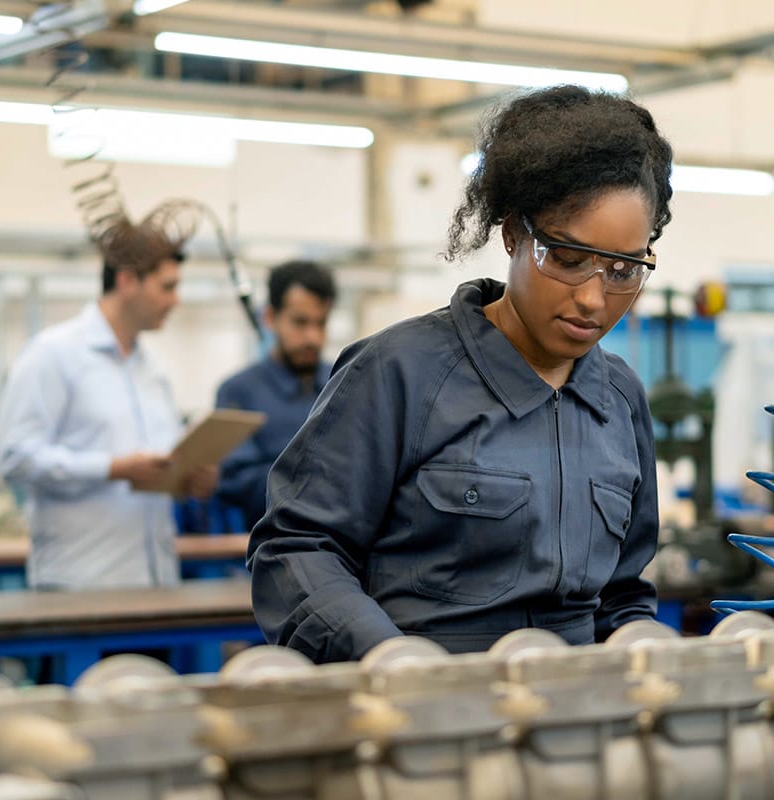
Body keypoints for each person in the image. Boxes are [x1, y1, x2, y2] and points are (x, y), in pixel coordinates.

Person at [247, 85, 672, 662]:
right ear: (514, 234)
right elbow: (298, 548)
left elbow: (621, 594)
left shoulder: (619, 400)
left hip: (576, 721)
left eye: (624, 269)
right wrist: (390, 662)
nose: (595, 299)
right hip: (424, 716)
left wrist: (645, 655)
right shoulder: (399, 374)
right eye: (569, 260)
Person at [0, 215, 218, 590]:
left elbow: (158, 470)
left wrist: (188, 478)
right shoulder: (54, 355)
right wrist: (112, 468)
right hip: (81, 587)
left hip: (156, 584)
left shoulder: (152, 371)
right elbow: (16, 458)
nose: (175, 301)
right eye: (167, 287)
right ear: (128, 280)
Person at [215, 260, 337, 529]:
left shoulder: (341, 383)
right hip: (270, 552)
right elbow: (236, 482)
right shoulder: (239, 392)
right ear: (270, 317)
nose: (313, 338)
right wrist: (322, 476)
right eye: (300, 322)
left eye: (321, 323)